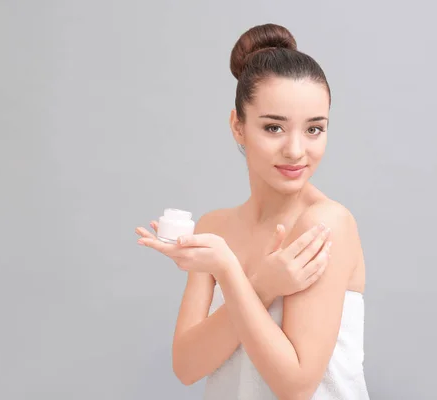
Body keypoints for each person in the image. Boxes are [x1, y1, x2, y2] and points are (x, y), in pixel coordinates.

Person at [136, 23, 369, 400]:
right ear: (238, 126)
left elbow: (296, 386)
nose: (296, 150)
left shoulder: (325, 225)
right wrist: (259, 284)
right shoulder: (217, 228)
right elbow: (187, 366)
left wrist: (230, 273)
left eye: (314, 129)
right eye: (274, 127)